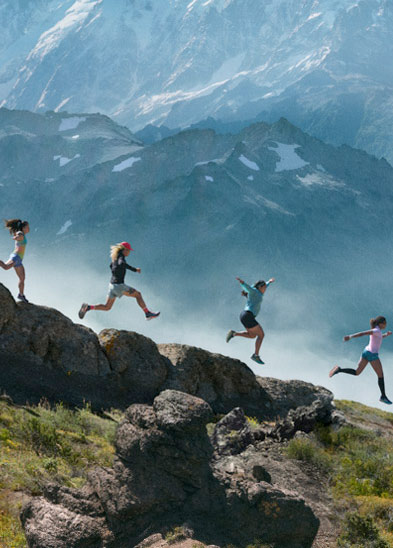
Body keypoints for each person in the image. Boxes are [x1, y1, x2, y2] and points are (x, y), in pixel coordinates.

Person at [78, 242, 160, 321]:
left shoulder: (114, 259)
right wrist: (135, 270)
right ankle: (147, 313)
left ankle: (88, 307)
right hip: (119, 286)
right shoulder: (121, 258)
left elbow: (111, 266)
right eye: (129, 250)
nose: (129, 252)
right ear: (125, 250)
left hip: (112, 285)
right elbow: (122, 264)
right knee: (138, 295)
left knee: (107, 307)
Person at [329, 316, 392, 404]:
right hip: (372, 355)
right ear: (381, 323)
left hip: (366, 352)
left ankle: (339, 369)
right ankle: (383, 396)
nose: (385, 325)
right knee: (380, 375)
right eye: (385, 323)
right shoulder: (376, 331)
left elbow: (379, 337)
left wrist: (386, 335)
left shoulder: (377, 330)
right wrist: (350, 336)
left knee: (357, 372)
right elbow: (363, 333)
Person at [226, 276, 275, 364]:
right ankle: (255, 356)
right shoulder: (255, 292)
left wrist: (269, 282)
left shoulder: (259, 293)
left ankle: (234, 333)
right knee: (261, 335)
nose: (265, 289)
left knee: (252, 336)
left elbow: (265, 285)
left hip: (245, 316)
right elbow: (249, 288)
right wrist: (242, 283)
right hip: (248, 315)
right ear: (260, 287)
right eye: (264, 287)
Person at [0, 218, 30, 303]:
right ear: (23, 228)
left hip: (18, 259)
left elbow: (17, 236)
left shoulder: (21, 233)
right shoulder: (21, 234)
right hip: (16, 257)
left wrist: (16, 237)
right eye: (27, 227)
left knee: (22, 278)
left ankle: (21, 295)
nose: (29, 228)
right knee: (6, 267)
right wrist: (16, 237)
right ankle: (21, 295)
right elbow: (18, 236)